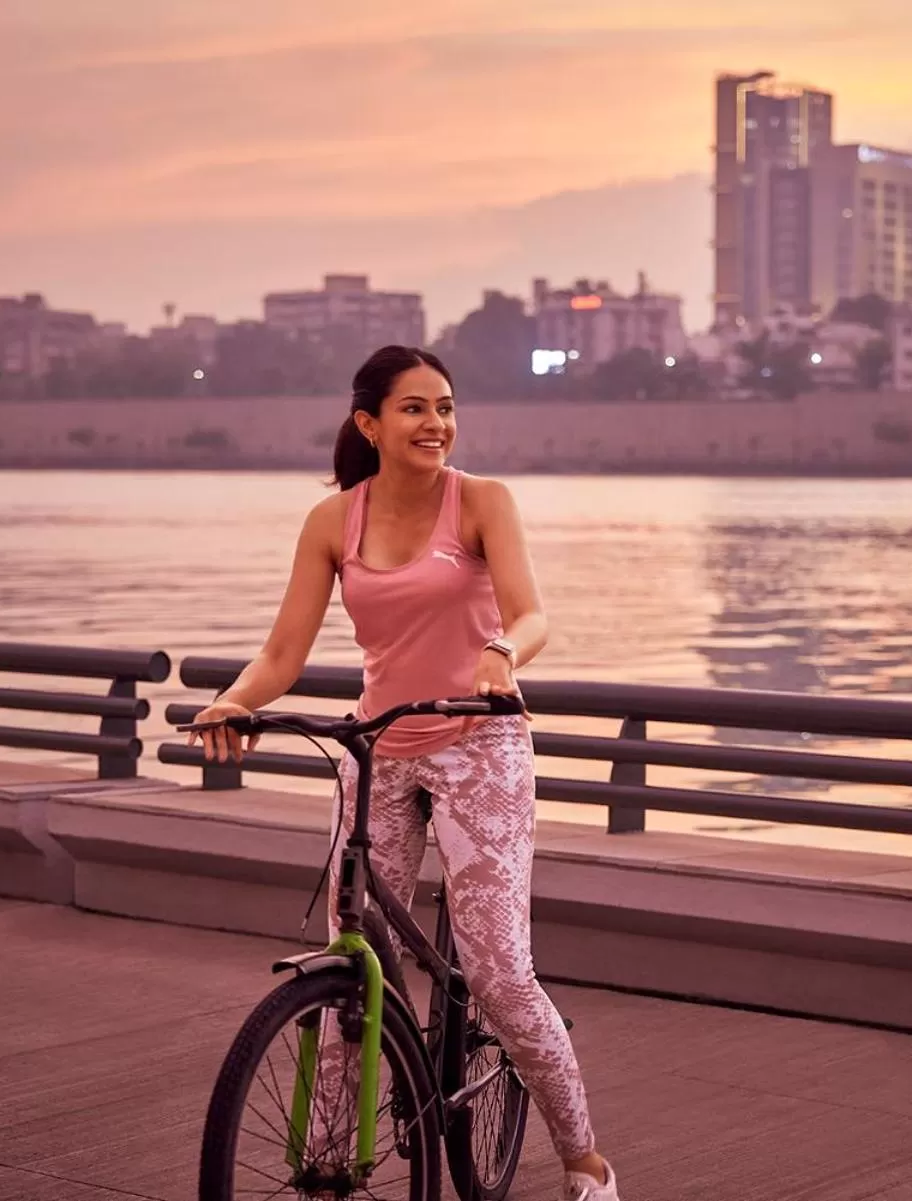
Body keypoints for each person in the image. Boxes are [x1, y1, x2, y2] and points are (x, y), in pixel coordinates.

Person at [188, 345, 621, 1201]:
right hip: (378, 745)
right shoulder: (332, 522)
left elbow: (532, 612)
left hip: (480, 742)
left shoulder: (483, 503)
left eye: (446, 407)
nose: (437, 424)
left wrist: (501, 653)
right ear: (370, 424)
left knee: (498, 974)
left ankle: (586, 1162)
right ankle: (332, 1162)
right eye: (416, 408)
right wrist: (232, 701)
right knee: (360, 964)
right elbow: (283, 652)